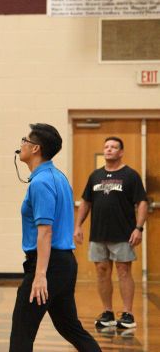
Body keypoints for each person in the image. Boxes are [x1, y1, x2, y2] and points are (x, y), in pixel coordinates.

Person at [10, 123, 100, 352]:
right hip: (63, 264)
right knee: (70, 328)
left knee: (21, 332)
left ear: (36, 148)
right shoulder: (58, 177)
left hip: (49, 266)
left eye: (25, 140)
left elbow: (45, 231)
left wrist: (40, 275)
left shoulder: (41, 182)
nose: (21, 144)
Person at [74, 136, 148, 330]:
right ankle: (107, 312)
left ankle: (128, 314)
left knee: (123, 271)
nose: (109, 149)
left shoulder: (130, 175)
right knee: (101, 271)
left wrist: (139, 228)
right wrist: (78, 225)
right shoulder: (95, 176)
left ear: (121, 152)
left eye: (113, 147)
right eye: (106, 146)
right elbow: (86, 202)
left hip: (123, 233)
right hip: (98, 234)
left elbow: (142, 202)